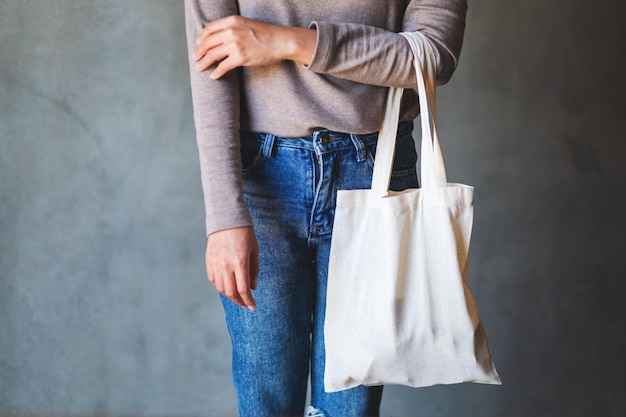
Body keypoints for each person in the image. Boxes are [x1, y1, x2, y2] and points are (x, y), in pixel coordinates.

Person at [184, 1, 467, 416]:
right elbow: (211, 63)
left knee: (350, 403)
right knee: (265, 398)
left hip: (375, 172)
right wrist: (224, 215)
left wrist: (291, 42)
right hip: (261, 182)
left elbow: (433, 55)